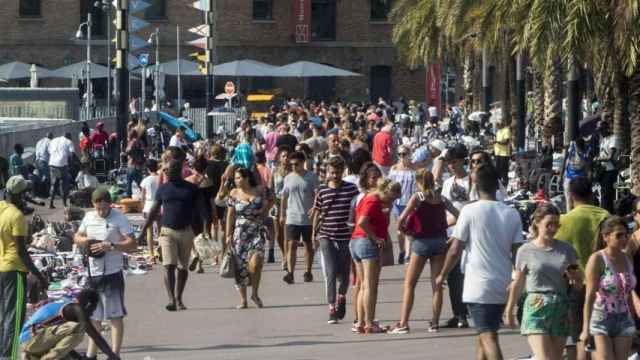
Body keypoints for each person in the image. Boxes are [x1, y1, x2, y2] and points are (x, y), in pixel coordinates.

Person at [435, 164, 523, 360]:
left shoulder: (469, 211)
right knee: (484, 335)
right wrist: (519, 279)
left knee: (488, 336)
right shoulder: (511, 213)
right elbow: (518, 252)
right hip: (502, 282)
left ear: (475, 185)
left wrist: (442, 274)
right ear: (497, 186)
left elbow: (455, 248)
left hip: (478, 284)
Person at [505, 204, 581, 360]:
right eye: (549, 224)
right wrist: (510, 309)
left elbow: (578, 284)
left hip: (560, 307)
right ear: (537, 223)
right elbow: (518, 282)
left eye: (556, 225)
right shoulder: (525, 250)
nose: (553, 229)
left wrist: (575, 277)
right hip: (536, 306)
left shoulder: (566, 249)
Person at [390, 169, 458, 334]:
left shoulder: (417, 198)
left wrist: (407, 232)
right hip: (439, 242)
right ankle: (434, 322)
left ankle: (404, 323)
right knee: (437, 284)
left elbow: (400, 221)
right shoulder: (441, 198)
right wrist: (444, 226)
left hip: (421, 242)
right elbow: (458, 215)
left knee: (410, 284)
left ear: (418, 182)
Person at [73, 188, 136, 359]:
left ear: (109, 204)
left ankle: (114, 354)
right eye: (98, 208)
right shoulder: (89, 217)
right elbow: (77, 236)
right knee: (94, 317)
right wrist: (85, 241)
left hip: (112, 273)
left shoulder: (119, 218)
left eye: (104, 208)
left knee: (115, 316)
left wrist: (112, 246)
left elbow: (132, 244)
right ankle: (91, 354)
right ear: (93, 205)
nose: (101, 211)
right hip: (93, 274)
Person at [138, 159, 199, 311]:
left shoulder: (191, 189)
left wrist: (201, 231)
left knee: (182, 268)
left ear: (177, 170)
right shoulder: (163, 189)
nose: (165, 173)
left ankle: (179, 298)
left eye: (168, 170)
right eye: (164, 170)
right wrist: (143, 231)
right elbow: (153, 211)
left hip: (186, 231)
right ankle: (171, 299)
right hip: (167, 232)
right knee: (169, 266)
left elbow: (200, 210)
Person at [0, 176, 48, 360]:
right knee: (14, 318)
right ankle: (9, 357)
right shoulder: (17, 216)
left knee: (3, 315)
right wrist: (38, 276)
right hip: (14, 270)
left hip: (1, 268)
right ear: (21, 195)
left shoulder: (1, 208)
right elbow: (21, 251)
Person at [351, 178, 401, 334]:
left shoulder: (369, 198)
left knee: (363, 285)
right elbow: (362, 221)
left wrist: (386, 209)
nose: (393, 201)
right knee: (370, 287)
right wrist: (375, 238)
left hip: (356, 242)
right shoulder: (373, 201)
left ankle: (360, 322)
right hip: (366, 243)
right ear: (385, 192)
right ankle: (369, 323)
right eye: (392, 197)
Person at [581, 216, 636, 360]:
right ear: (606, 236)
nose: (624, 238)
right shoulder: (597, 259)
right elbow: (590, 296)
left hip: (624, 318)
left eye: (626, 234)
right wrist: (585, 329)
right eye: (619, 235)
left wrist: (634, 319)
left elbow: (628, 293)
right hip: (601, 318)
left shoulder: (627, 258)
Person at [313, 156, 359, 324]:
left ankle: (341, 297)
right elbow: (317, 212)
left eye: (338, 172)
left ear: (343, 171)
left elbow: (357, 208)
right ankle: (331, 307)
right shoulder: (322, 190)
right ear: (327, 172)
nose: (335, 175)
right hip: (326, 235)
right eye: (332, 172)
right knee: (331, 271)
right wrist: (313, 234)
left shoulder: (352, 189)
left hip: (346, 236)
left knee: (345, 271)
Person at [20, 289, 120, 360]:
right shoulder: (75, 309)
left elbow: (61, 341)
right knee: (80, 327)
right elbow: (94, 335)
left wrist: (77, 357)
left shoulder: (67, 305)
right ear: (88, 304)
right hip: (31, 340)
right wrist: (112, 355)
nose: (92, 313)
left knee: (75, 330)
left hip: (32, 342)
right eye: (93, 308)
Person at [226, 167, 273, 309]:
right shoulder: (234, 193)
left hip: (256, 230)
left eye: (239, 178)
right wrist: (228, 235)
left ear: (247, 178)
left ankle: (255, 293)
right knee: (239, 266)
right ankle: (243, 299)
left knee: (257, 262)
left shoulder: (259, 190)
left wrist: (264, 210)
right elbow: (230, 215)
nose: (236, 180)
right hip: (239, 233)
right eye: (235, 178)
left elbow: (272, 198)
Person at [440, 144, 470, 328]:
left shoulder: (472, 182)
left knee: (468, 274)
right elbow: (444, 205)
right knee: (453, 276)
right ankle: (458, 314)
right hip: (450, 234)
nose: (450, 165)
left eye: (453, 162)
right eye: (448, 163)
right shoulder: (447, 183)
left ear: (461, 161)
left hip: (469, 234)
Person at [281, 151, 319, 284]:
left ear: (303, 163)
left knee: (308, 246)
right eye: (291, 165)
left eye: (296, 164)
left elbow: (317, 195)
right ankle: (290, 273)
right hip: (292, 217)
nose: (293, 167)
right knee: (292, 244)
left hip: (307, 218)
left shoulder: (312, 177)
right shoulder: (288, 178)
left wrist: (316, 211)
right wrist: (282, 214)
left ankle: (308, 271)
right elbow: (283, 196)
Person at [555, 176, 610, 269]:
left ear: (571, 196)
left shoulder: (562, 221)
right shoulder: (605, 215)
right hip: (603, 279)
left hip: (575, 280)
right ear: (592, 195)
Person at [388, 145, 417, 264]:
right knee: (400, 230)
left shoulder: (414, 168)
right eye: (399, 154)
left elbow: (418, 185)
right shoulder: (394, 168)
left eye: (404, 154)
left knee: (409, 229)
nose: (401, 157)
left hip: (410, 202)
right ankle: (402, 251)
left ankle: (408, 256)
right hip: (398, 203)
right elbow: (389, 185)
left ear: (409, 154)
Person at [272, 146, 292, 271]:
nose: (286, 158)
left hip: (290, 204)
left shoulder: (293, 172)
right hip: (277, 203)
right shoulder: (275, 171)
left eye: (287, 156)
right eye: (283, 156)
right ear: (279, 158)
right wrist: (271, 203)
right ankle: (284, 252)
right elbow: (270, 188)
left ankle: (286, 257)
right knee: (278, 233)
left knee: (286, 232)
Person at [595, 121, 619, 213]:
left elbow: (610, 157)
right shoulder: (603, 140)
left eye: (601, 130)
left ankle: (608, 214)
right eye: (599, 130)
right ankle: (605, 212)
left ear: (606, 128)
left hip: (610, 170)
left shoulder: (613, 139)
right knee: (602, 194)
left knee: (607, 195)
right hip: (602, 170)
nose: (600, 132)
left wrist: (598, 159)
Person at [47, 133, 75, 209]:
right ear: (69, 137)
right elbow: (72, 154)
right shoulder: (69, 141)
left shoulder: (53, 140)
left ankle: (51, 203)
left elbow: (49, 151)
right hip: (62, 165)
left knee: (54, 184)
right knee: (64, 184)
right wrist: (71, 165)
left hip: (52, 164)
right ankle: (64, 203)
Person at [563, 138, 591, 212]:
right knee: (568, 197)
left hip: (580, 177)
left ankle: (580, 212)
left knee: (580, 197)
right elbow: (565, 160)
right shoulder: (571, 147)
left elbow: (588, 164)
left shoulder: (587, 150)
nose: (579, 150)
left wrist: (588, 176)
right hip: (569, 176)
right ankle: (569, 212)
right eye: (579, 148)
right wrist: (561, 174)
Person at [140, 159, 160, 261]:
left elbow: (142, 196)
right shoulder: (161, 178)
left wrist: (142, 207)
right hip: (160, 205)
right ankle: (162, 251)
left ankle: (151, 255)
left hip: (148, 205)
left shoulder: (145, 180)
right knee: (161, 231)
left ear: (147, 169)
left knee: (149, 232)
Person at [125, 130, 145, 198]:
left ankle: (128, 198)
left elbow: (128, 150)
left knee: (129, 183)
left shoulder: (133, 141)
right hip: (139, 165)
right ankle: (145, 196)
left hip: (132, 164)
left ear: (131, 134)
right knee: (140, 184)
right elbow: (143, 152)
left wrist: (126, 153)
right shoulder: (141, 142)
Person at [494, 119, 511, 186]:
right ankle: (499, 184)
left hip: (504, 154)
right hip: (497, 153)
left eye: (498, 124)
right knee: (498, 170)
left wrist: (497, 142)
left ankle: (505, 184)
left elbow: (506, 142)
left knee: (504, 170)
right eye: (496, 125)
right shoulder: (498, 131)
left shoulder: (506, 130)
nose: (497, 126)